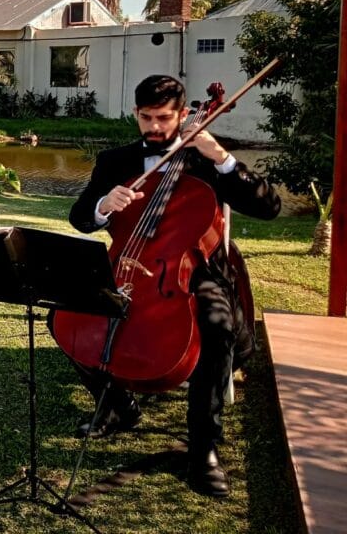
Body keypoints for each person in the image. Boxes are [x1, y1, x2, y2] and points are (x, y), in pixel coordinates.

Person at [61, 75, 280, 497]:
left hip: (197, 271)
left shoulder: (205, 160)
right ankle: (117, 407)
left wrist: (221, 157)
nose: (155, 127)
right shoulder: (115, 160)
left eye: (164, 118)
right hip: (128, 264)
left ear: (182, 115)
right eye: (146, 118)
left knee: (216, 326)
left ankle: (203, 448)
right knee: (68, 314)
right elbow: (80, 217)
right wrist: (103, 205)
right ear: (135, 114)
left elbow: (269, 207)